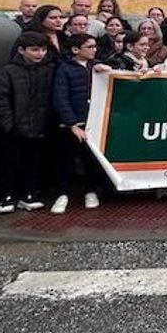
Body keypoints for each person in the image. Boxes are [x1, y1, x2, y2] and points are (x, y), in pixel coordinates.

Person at [0, 31, 55, 214]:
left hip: (40, 126)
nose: (39, 54)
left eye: (43, 49)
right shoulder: (8, 71)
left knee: (34, 162)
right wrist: (8, 125)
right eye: (34, 50)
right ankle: (8, 196)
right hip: (15, 128)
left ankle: (29, 193)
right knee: (10, 163)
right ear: (21, 50)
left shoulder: (49, 69)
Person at [51, 34, 110, 213]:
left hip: (94, 122)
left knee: (91, 160)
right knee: (66, 160)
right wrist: (71, 124)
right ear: (76, 50)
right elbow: (60, 97)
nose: (94, 50)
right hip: (73, 124)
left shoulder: (95, 66)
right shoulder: (64, 69)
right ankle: (62, 194)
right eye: (89, 47)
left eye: (94, 46)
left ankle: (90, 191)